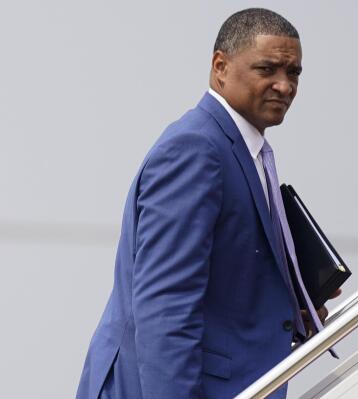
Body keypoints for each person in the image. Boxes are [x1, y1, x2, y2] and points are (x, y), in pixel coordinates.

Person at [76, 7, 338, 399]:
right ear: (220, 67)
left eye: (294, 73)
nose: (284, 86)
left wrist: (281, 318)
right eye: (267, 70)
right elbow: (165, 306)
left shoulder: (244, 151)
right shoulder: (197, 149)